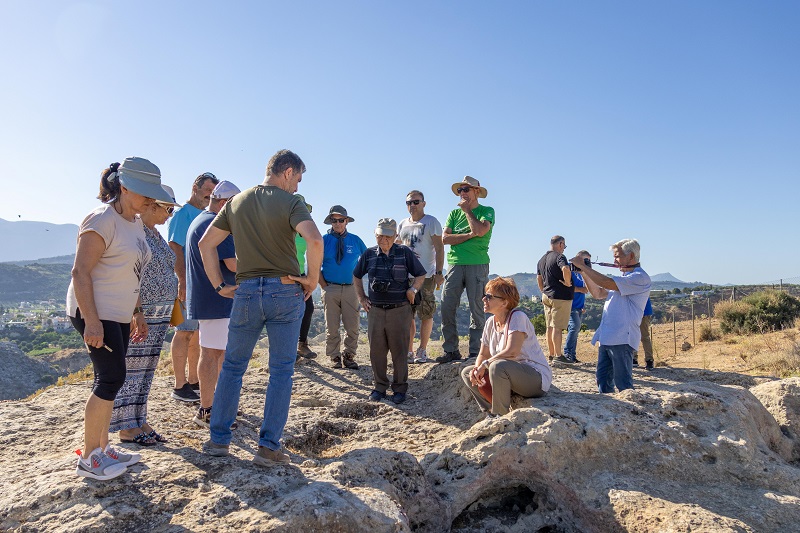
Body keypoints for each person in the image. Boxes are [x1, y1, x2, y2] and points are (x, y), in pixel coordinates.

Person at [199, 149, 323, 467]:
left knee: (233, 368)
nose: (297, 186)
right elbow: (315, 240)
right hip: (284, 292)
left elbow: (205, 244)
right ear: (286, 172)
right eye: (297, 178)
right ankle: (268, 447)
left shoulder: (236, 202)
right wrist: (310, 279)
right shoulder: (291, 203)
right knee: (281, 372)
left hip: (246, 292)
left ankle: (218, 442)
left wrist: (218, 285)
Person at [67, 157, 176, 480]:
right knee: (110, 378)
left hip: (118, 313)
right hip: (95, 312)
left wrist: (137, 311)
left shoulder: (134, 223)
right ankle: (89, 458)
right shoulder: (102, 220)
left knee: (114, 378)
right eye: (144, 193)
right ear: (124, 187)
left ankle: (102, 448)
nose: (149, 200)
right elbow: (80, 272)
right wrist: (92, 321)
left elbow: (133, 273)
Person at [111, 185, 180, 447]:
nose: (170, 214)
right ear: (152, 205)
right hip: (142, 311)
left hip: (159, 311)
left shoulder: (154, 233)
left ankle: (140, 419)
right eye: (168, 209)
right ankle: (127, 427)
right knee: (132, 369)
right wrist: (136, 310)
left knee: (147, 369)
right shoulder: (136, 230)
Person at [185, 180, 241, 428]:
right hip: (219, 298)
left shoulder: (201, 220)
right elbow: (233, 264)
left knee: (215, 352)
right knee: (212, 354)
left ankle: (215, 405)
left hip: (210, 298)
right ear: (224, 203)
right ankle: (207, 410)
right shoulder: (217, 224)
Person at [354, 218, 426, 404]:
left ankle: (400, 389)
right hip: (376, 311)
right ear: (375, 235)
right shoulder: (368, 254)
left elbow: (420, 274)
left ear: (395, 235)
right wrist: (362, 298)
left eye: (387, 235)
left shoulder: (404, 253)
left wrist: (413, 290)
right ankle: (379, 387)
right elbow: (356, 275)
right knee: (376, 352)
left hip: (400, 310)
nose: (383, 239)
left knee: (400, 352)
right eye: (380, 235)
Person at [461, 277, 552, 416]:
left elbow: (512, 352)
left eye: (489, 297)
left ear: (504, 302)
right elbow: (483, 354)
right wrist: (477, 369)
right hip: (508, 376)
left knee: (498, 366)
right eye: (485, 296)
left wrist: (484, 365)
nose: (484, 299)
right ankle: (490, 410)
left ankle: (500, 415)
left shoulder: (517, 317)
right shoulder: (490, 323)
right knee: (468, 373)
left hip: (534, 378)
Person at [570, 239, 651, 393]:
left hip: (622, 338)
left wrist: (583, 266)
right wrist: (583, 272)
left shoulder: (639, 277)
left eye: (618, 256)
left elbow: (606, 283)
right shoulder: (625, 279)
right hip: (607, 337)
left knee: (624, 385)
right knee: (603, 382)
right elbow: (598, 293)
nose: (614, 260)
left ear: (631, 256)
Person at [167, 172, 219, 402]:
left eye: (213, 192)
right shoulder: (182, 214)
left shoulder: (206, 214)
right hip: (186, 282)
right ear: (195, 188)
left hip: (201, 284)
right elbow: (175, 248)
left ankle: (194, 381)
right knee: (183, 331)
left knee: (198, 335)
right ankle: (179, 385)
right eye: (207, 190)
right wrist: (182, 281)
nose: (209, 195)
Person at [438, 176, 495, 363]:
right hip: (454, 264)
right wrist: (470, 235)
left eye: (466, 189)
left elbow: (480, 231)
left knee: (477, 308)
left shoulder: (487, 211)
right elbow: (445, 239)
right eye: (460, 190)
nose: (462, 193)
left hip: (477, 264)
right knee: (447, 306)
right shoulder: (453, 214)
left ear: (476, 191)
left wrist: (468, 213)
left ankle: (475, 352)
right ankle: (451, 350)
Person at [397, 190, 444, 363]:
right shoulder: (402, 224)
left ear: (424, 203)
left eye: (416, 202)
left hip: (426, 276)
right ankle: (409, 351)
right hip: (404, 276)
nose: (412, 205)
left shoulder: (431, 222)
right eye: (409, 202)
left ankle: (422, 350)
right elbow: (398, 245)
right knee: (408, 315)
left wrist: (439, 273)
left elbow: (439, 248)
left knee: (426, 312)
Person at [319, 205, 367, 369]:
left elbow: (367, 258)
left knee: (352, 326)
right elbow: (315, 263)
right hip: (330, 287)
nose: (338, 223)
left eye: (341, 220)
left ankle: (349, 355)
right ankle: (334, 357)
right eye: (334, 220)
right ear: (330, 222)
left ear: (347, 221)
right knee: (331, 326)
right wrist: (323, 285)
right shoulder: (324, 240)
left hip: (350, 288)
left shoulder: (355, 240)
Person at [537, 236, 573, 360]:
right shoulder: (559, 257)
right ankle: (558, 355)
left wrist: (543, 291)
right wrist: (568, 282)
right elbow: (565, 268)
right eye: (564, 246)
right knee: (557, 328)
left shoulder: (542, 259)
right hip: (560, 296)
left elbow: (539, 278)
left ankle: (551, 354)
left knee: (550, 327)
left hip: (546, 295)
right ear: (561, 244)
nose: (564, 249)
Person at [295, 194, 318, 359]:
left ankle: (302, 345)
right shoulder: (281, 226)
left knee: (308, 308)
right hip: (283, 273)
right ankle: (288, 349)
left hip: (300, 273)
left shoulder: (304, 231)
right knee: (287, 312)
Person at [560, 250, 591, 365]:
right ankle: (567, 353)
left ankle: (572, 355)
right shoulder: (569, 269)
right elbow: (565, 286)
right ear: (579, 258)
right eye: (586, 259)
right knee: (574, 327)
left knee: (576, 330)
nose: (588, 262)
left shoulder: (582, 272)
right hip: (570, 304)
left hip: (579, 305)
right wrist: (580, 290)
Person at [633, 298, 654, 370]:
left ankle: (649, 360)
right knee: (633, 336)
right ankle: (633, 358)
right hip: (634, 312)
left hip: (643, 312)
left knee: (644, 337)